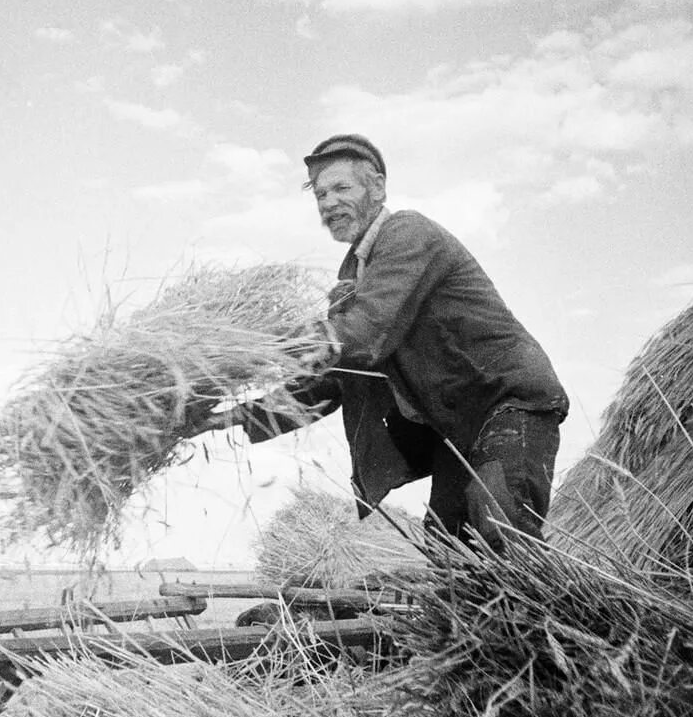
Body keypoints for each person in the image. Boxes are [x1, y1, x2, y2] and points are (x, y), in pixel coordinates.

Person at [221, 134, 568, 548]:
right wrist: (237, 416)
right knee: (448, 542)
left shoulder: (407, 235)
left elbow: (365, 331)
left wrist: (265, 345)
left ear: (378, 188)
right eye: (320, 194)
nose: (328, 203)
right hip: (460, 427)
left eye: (341, 188)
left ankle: (546, 614)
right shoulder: (354, 279)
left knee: (500, 521)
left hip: (509, 401)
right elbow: (335, 379)